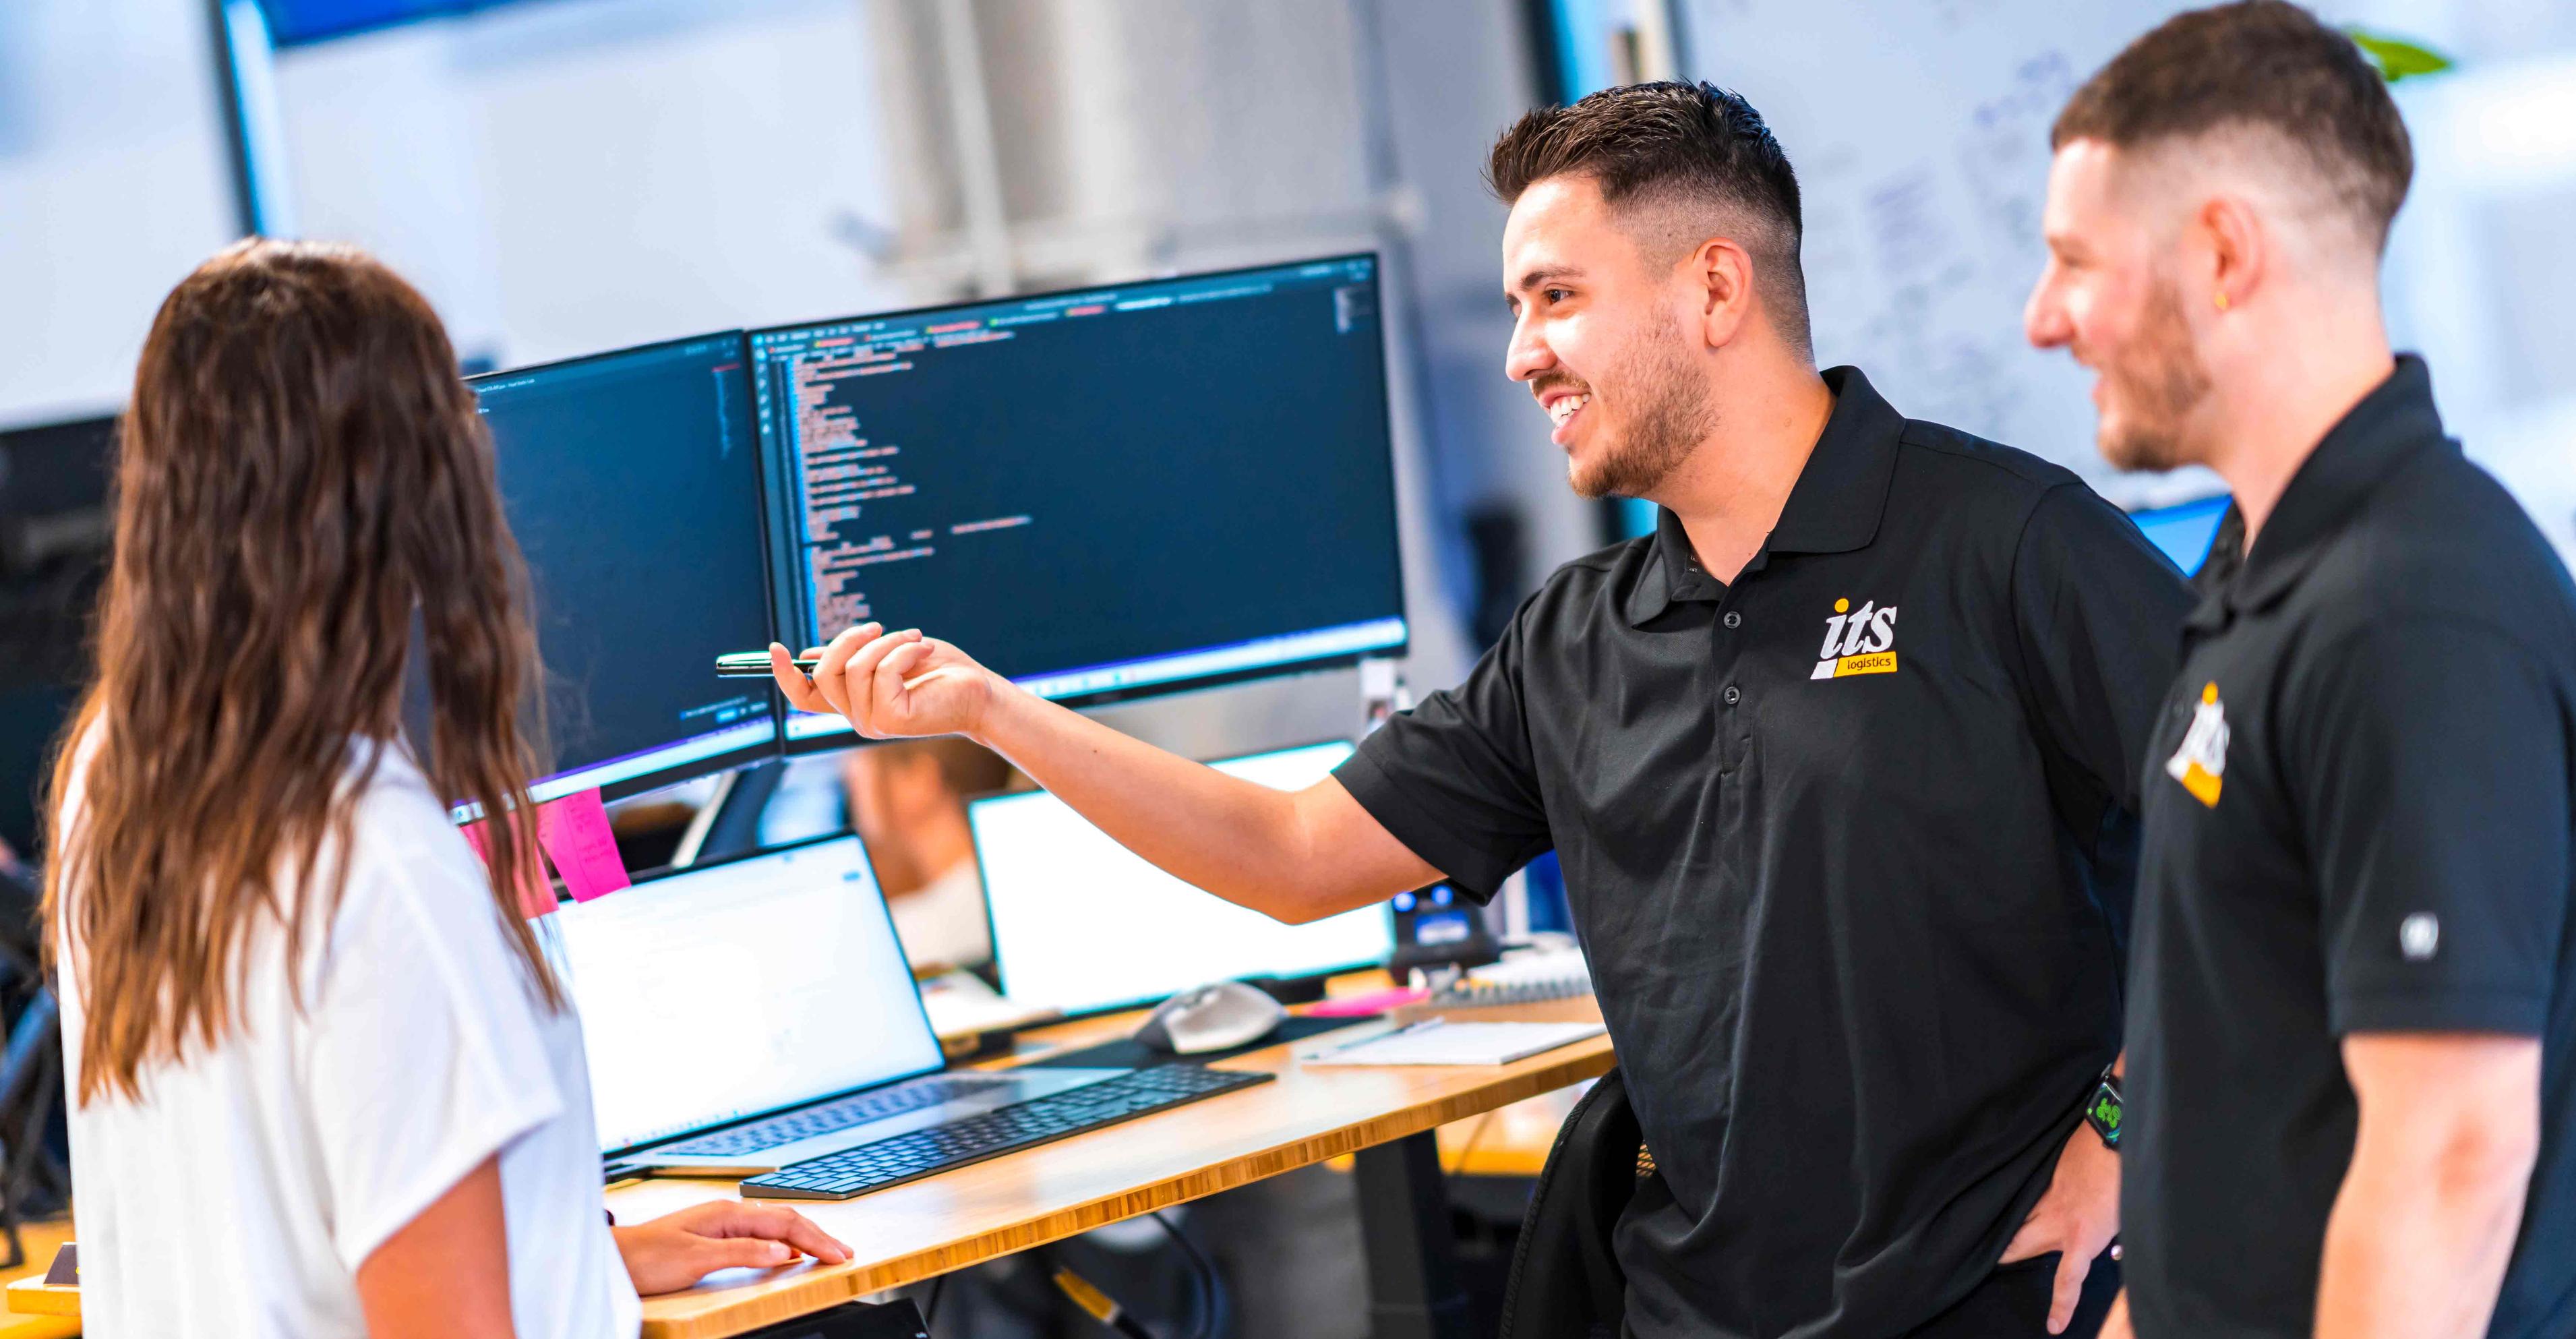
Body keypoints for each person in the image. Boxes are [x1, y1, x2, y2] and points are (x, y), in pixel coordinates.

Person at [774, 82, 2193, 1338]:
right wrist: (993, 715)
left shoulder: (2004, 544)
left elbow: (2276, 848)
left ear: (1714, 292)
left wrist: (2129, 1134)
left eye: (1557, 297)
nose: (1522, 353)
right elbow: (1289, 859)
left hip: (1994, 1300)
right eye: (1520, 305)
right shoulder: (1578, 639)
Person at [42, 239, 849, 1338]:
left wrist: (586, 1262)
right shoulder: (377, 866)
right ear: (421, 493)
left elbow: (281, 1221)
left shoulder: (118, 774)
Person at [2023, 5, 2576, 1337]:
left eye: (2074, 262)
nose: (2046, 320)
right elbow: (2240, 1034)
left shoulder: (2416, 612)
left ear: (2222, 253)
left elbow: (2446, 1160)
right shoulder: (2261, 563)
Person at [843, 738, 1012, 970]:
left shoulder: (894, 940)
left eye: (855, 782)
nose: (853, 803)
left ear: (920, 780)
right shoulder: (1016, 894)